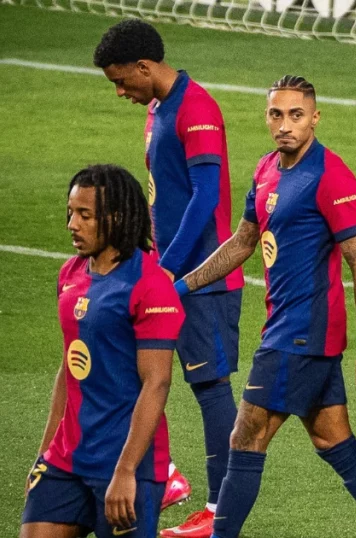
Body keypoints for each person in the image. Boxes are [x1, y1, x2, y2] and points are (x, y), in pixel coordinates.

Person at [177, 75, 356, 538]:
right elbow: (242, 242)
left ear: (315, 118)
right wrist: (180, 289)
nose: (285, 124)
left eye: (296, 115)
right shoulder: (267, 168)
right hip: (291, 328)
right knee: (333, 439)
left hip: (300, 333)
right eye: (276, 114)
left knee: (245, 437)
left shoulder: (331, 176)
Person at [94, 19, 243, 533]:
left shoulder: (197, 108)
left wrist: (168, 268)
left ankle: (222, 511)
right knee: (137, 371)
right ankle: (166, 474)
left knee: (210, 386)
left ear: (144, 67)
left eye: (122, 80)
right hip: (169, 270)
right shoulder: (159, 107)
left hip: (201, 278)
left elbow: (206, 197)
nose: (120, 92)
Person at [21, 164, 184, 538]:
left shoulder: (150, 286)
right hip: (66, 459)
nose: (72, 225)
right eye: (70, 212)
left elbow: (156, 383)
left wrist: (126, 471)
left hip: (126, 464)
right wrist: (45, 452)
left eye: (84, 215)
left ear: (116, 217)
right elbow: (69, 368)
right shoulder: (70, 275)